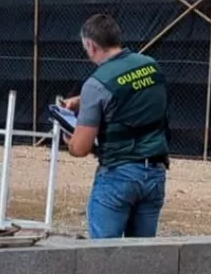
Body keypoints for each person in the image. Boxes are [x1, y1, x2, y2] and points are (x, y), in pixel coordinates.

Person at [61, 13, 169, 238]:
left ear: (91, 45)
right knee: (142, 257)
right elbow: (129, 90)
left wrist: (69, 141)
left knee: (104, 256)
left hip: (118, 176)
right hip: (155, 175)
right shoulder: (152, 66)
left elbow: (80, 149)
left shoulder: (96, 84)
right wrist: (83, 101)